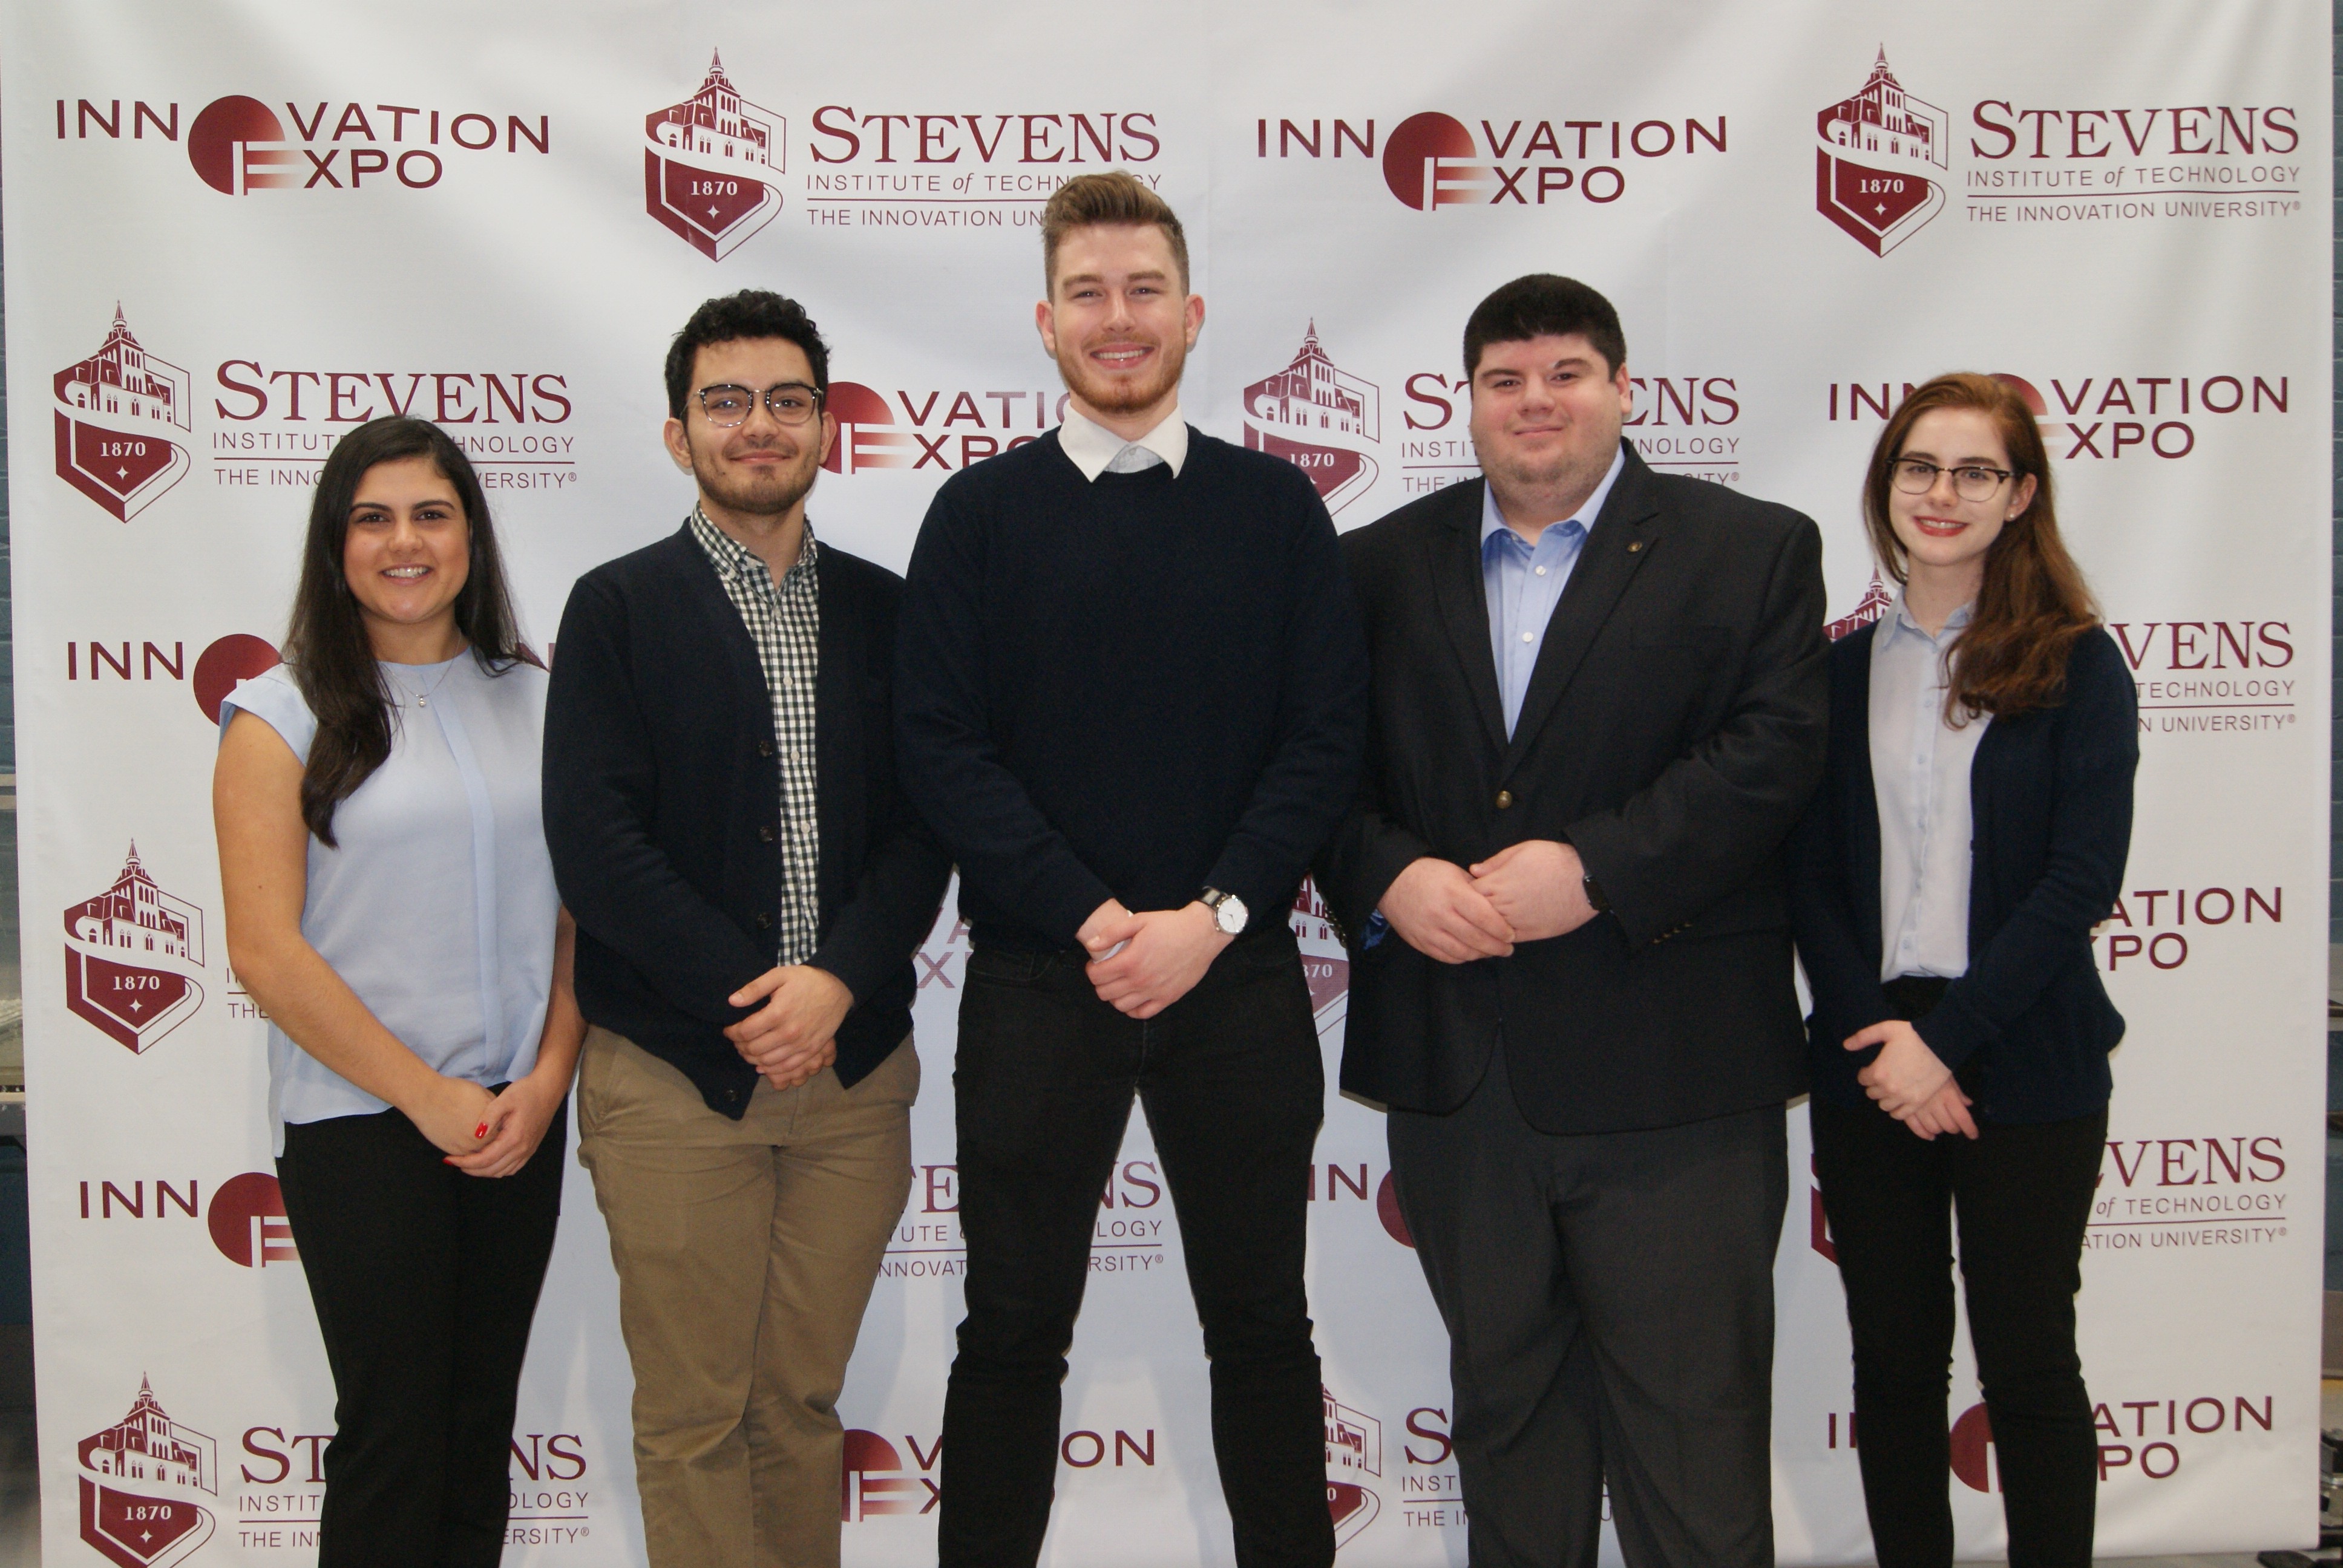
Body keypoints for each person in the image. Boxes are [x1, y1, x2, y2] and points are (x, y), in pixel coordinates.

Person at [1314, 273, 1828, 1567]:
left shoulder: (1752, 546)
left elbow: (1773, 754)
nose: (1534, 401)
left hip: (1675, 1079)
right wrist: (1387, 875)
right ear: (1468, 402)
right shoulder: (1373, 566)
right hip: (1461, 1079)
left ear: (1621, 391)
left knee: (1691, 1443)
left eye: (1565, 374)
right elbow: (1317, 774)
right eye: (1504, 379)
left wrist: (1593, 870)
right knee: (1507, 1427)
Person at [895, 171, 1367, 1568]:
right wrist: (1103, 918)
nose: (1119, 320)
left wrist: (1209, 919)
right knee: (1013, 1332)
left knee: (1263, 1329)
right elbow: (944, 750)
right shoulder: (976, 518)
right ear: (1045, 322)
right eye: (1089, 295)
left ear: (1193, 313)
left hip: (1237, 980)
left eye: (1144, 291)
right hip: (1045, 980)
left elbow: (1321, 743)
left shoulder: (1277, 512)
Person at [542, 289, 949, 1568]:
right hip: (672, 1078)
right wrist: (758, 998)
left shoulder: (894, 613)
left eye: (785, 400)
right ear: (679, 436)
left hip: (852, 1074)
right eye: (725, 402)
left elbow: (924, 832)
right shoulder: (615, 610)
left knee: (799, 1406)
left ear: (828, 426)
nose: (757, 426)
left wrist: (831, 986)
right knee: (694, 1416)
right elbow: (599, 851)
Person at [213, 414, 582, 1567]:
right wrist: (428, 1099)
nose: (405, 542)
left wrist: (550, 1076)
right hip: (364, 1126)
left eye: (432, 513)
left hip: (518, 1119)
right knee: (394, 1438)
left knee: (479, 1433)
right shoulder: (276, 718)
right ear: (336, 546)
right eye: (372, 518)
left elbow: (579, 915)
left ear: (470, 534)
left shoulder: (537, 695)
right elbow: (267, 954)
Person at [1790, 372, 2136, 1568]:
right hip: (1868, 1062)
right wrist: (1883, 1040)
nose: (1941, 493)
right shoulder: (1833, 676)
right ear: (1884, 487)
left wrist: (1949, 1044)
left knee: (2030, 1364)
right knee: (1890, 1369)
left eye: (1973, 471)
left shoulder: (2079, 667)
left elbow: (2077, 885)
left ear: (2019, 494)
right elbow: (1812, 885)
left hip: (2027, 1057)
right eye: (1918, 467)